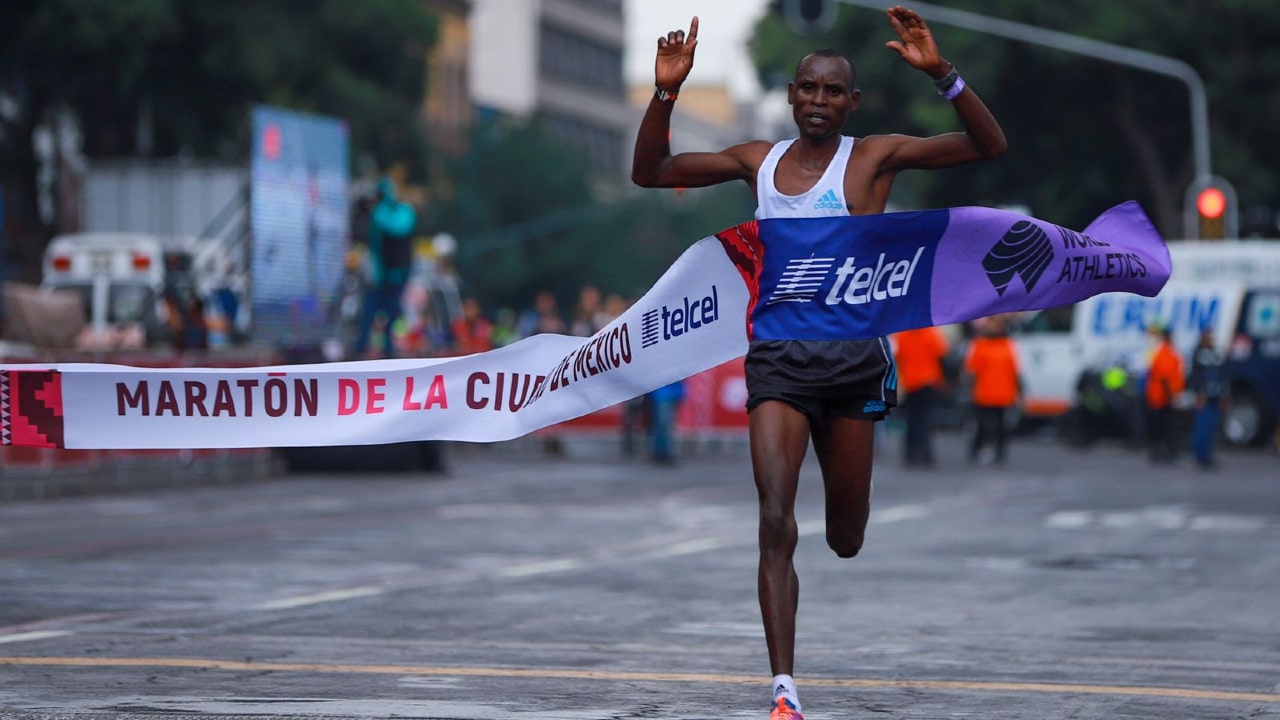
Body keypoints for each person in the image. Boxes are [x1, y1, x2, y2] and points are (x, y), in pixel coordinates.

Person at [631, 9, 1006, 719]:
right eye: (808, 89)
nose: (818, 101)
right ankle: (784, 692)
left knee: (845, 537)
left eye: (833, 92)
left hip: (855, 364)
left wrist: (941, 74)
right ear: (791, 95)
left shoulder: (873, 158)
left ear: (851, 103)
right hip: (778, 360)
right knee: (775, 517)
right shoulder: (758, 163)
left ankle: (840, 534)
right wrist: (666, 92)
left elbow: (988, 145)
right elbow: (648, 171)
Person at [353, 177, 416, 358]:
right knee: (370, 314)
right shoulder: (382, 214)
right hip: (379, 276)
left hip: (394, 274)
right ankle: (364, 348)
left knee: (389, 314)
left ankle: (387, 350)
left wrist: (377, 211)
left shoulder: (398, 213)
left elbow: (398, 227)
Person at [962, 315, 1020, 464]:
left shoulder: (1008, 344)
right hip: (984, 393)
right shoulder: (981, 344)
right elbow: (971, 368)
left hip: (1003, 393)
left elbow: (1014, 370)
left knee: (1001, 425)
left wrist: (1017, 391)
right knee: (982, 424)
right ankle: (976, 449)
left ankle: (1000, 452)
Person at [892, 325, 951, 467]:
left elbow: (896, 358)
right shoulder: (932, 333)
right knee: (925, 418)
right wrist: (946, 381)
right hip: (928, 381)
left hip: (909, 382)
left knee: (911, 419)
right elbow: (942, 358)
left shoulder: (901, 335)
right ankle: (925, 452)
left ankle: (910, 453)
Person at [1144, 324, 1185, 463]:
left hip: (1164, 396)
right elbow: (1164, 377)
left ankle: (1164, 451)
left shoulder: (1168, 353)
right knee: (1163, 427)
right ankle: (1160, 451)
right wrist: (1171, 397)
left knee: (1165, 426)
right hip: (1161, 398)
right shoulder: (1163, 353)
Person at [1186, 326, 1226, 469]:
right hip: (1204, 397)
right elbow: (1194, 376)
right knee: (1202, 427)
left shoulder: (1216, 353)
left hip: (1215, 395)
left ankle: (1208, 455)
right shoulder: (1198, 353)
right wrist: (1198, 393)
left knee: (1212, 427)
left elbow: (1222, 374)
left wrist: (1224, 394)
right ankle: (1200, 456)